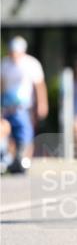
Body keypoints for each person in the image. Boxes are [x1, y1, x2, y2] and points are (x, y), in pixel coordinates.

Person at [0, 36, 48, 174]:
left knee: (25, 133)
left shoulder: (31, 64)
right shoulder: (5, 64)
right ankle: (9, 160)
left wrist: (42, 104)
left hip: (24, 107)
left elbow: (39, 86)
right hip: (7, 106)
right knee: (8, 132)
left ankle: (24, 160)